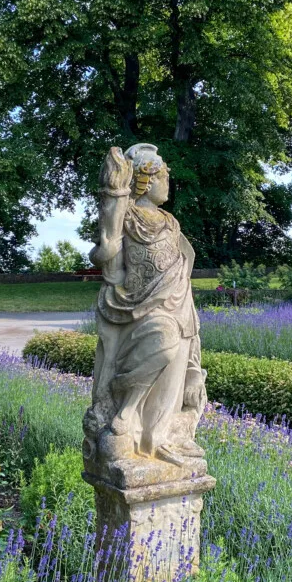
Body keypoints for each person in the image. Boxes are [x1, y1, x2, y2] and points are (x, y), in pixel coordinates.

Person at [85, 144, 207, 472]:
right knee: (163, 340)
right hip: (139, 308)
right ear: (147, 180)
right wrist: (106, 247)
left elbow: (182, 270)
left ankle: (158, 437)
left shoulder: (171, 222)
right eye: (164, 175)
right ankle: (125, 417)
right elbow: (110, 264)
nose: (169, 183)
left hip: (178, 305)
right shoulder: (127, 216)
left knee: (175, 372)